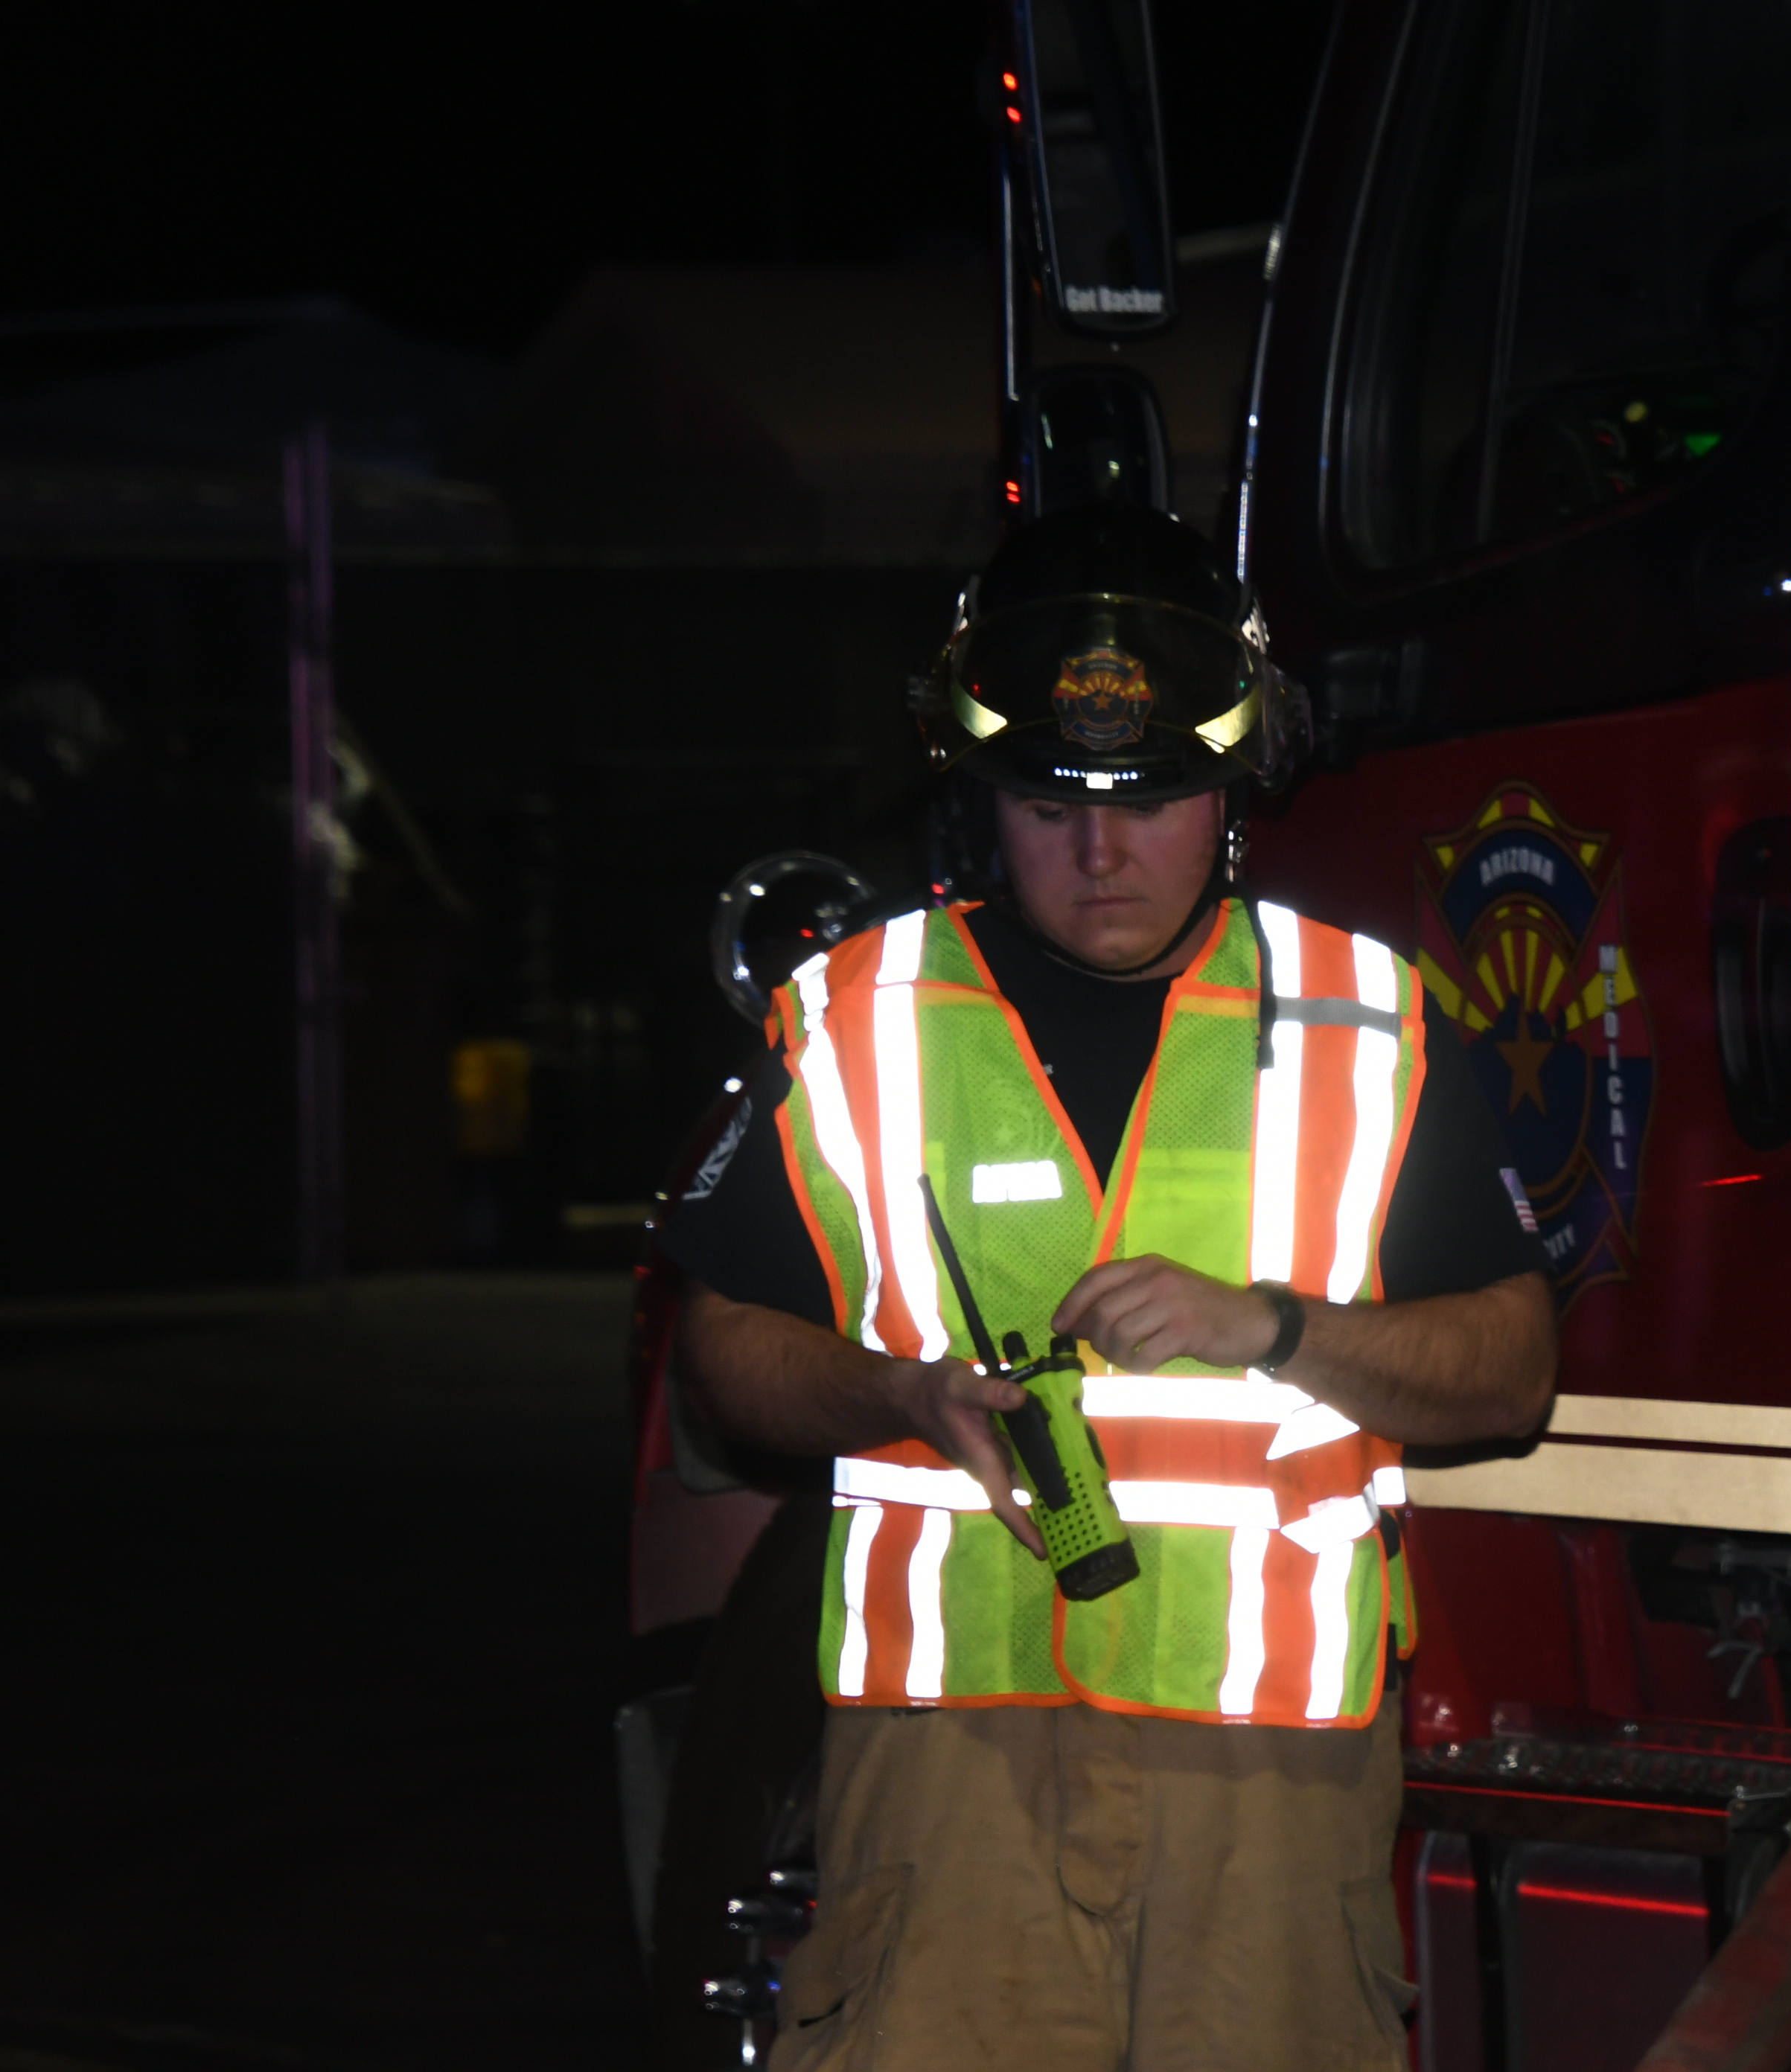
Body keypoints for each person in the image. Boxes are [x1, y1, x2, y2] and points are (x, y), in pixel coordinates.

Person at [657, 503, 1555, 2071]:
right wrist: (899, 1393)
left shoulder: (1367, 1017)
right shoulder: (856, 1019)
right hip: (950, 1764)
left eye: (1152, 803)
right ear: (978, 796)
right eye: (1045, 805)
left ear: (1234, 789)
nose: (1099, 854)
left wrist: (1274, 1326)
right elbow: (722, 1354)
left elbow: (1510, 1371)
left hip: (1270, 1778)